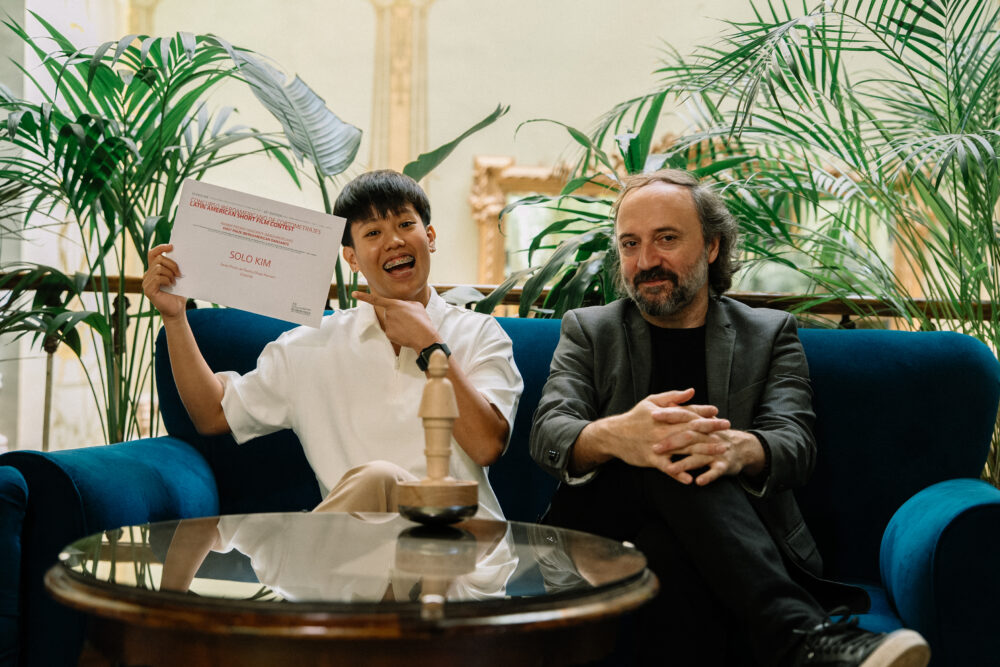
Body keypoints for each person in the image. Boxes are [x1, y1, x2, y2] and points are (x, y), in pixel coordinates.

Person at [529, 169, 930, 667]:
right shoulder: (589, 330)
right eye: (630, 244)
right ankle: (803, 638)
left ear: (712, 246)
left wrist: (735, 449)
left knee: (674, 527)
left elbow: (794, 444)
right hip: (601, 533)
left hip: (723, 546)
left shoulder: (769, 333)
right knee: (671, 447)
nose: (646, 260)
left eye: (666, 239)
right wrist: (620, 436)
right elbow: (549, 432)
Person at [143, 170, 523, 520]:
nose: (394, 241)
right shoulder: (310, 346)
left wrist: (430, 345)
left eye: (406, 225)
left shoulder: (480, 334)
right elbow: (212, 414)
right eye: (373, 233)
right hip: (353, 556)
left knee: (380, 478)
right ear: (351, 258)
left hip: (459, 550)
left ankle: (299, 555)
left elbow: (486, 446)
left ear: (431, 237)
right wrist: (175, 318)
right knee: (377, 480)